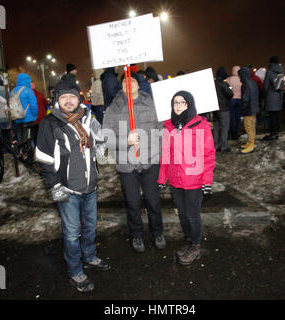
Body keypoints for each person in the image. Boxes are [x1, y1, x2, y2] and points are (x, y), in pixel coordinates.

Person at [35, 75, 109, 293]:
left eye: (72, 97)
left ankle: (90, 256)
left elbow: (100, 140)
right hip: (67, 189)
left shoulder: (88, 117)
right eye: (64, 97)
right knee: (70, 233)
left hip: (90, 186)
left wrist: (102, 146)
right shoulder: (50, 123)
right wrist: (54, 186)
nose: (68, 101)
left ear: (79, 99)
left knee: (90, 226)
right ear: (57, 99)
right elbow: (43, 158)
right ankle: (75, 271)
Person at [103, 71, 165, 253]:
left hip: (150, 161)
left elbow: (161, 130)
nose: (128, 85)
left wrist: (159, 153)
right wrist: (125, 141)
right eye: (124, 83)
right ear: (121, 87)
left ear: (139, 85)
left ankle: (157, 232)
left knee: (153, 201)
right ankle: (137, 234)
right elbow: (106, 137)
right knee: (132, 202)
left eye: (132, 82)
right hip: (127, 163)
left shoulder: (151, 104)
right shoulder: (113, 108)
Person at [158, 90, 215, 265]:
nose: (178, 106)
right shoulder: (169, 126)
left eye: (182, 102)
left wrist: (207, 181)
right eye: (175, 102)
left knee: (192, 215)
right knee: (182, 214)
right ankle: (190, 241)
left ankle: (196, 245)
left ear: (189, 104)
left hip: (194, 180)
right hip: (176, 180)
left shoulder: (201, 125)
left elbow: (208, 155)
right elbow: (166, 154)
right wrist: (162, 178)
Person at [11, 73, 38, 145]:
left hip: (17, 119)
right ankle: (30, 153)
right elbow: (34, 105)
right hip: (28, 119)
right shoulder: (28, 91)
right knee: (30, 138)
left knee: (20, 138)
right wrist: (35, 115)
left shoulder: (12, 91)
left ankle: (21, 152)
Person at [262, 56, 284, 140]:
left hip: (271, 97)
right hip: (279, 97)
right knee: (276, 116)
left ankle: (272, 134)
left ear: (270, 62)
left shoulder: (269, 72)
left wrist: (263, 95)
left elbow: (265, 86)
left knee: (271, 117)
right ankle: (276, 133)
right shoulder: (281, 72)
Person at [239, 67, 260, 154]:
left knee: (249, 128)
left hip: (248, 110)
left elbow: (245, 99)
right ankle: (250, 142)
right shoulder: (253, 82)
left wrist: (242, 109)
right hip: (254, 108)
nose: (240, 78)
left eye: (240, 76)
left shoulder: (245, 84)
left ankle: (250, 145)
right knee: (252, 127)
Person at [213, 67, 234, 152]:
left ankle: (216, 146)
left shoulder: (213, 83)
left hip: (215, 109)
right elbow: (230, 94)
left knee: (216, 127)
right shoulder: (223, 84)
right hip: (224, 109)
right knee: (224, 128)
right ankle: (224, 146)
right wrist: (229, 87)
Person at [225, 66, 243, 140]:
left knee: (232, 117)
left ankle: (232, 133)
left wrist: (231, 90)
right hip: (239, 100)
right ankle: (237, 132)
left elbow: (228, 88)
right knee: (238, 117)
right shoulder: (241, 79)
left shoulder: (229, 79)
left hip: (232, 100)